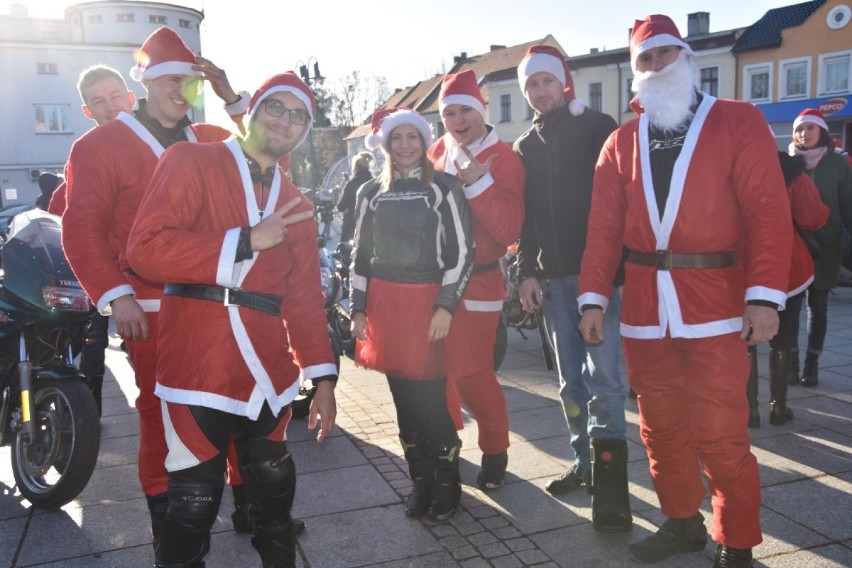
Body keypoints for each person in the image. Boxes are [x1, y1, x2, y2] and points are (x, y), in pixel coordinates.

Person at [577, 15, 792, 567]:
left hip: (718, 305)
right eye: (643, 59)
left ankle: (736, 539)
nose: (653, 66)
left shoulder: (738, 122)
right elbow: (602, 229)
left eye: (663, 55)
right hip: (647, 310)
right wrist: (593, 298)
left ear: (686, 59)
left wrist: (765, 296)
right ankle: (681, 522)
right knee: (661, 428)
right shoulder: (620, 143)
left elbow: (768, 213)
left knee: (721, 434)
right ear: (635, 72)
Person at [127, 71, 335, 568]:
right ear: (254, 110)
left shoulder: (299, 206)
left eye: (298, 115)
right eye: (275, 107)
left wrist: (323, 377)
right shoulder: (191, 160)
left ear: (306, 130)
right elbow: (145, 250)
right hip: (197, 359)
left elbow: (305, 299)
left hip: (266, 367)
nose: (285, 121)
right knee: (194, 499)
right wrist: (243, 240)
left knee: (276, 486)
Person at [60, 27, 253, 546]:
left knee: (236, 400)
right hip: (150, 304)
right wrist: (116, 295)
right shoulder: (98, 145)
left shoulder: (209, 140)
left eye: (188, 82)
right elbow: (80, 229)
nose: (179, 90)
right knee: (159, 412)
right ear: (144, 84)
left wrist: (232, 97)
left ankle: (250, 501)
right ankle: (166, 517)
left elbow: (266, 153)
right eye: (168, 79)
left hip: (219, 300)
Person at [513, 44, 631, 532]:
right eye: (531, 86)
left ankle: (610, 489)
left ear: (563, 82)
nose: (540, 92)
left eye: (546, 81)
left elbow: (621, 200)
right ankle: (584, 463)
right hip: (554, 279)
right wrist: (525, 271)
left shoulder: (599, 128)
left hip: (598, 277)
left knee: (604, 379)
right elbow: (528, 221)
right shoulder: (525, 146)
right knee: (569, 383)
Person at [351, 107, 474, 521]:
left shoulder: (443, 187)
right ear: (386, 145)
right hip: (385, 306)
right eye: (397, 138)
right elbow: (359, 257)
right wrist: (357, 309)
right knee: (403, 402)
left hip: (428, 304)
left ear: (424, 142)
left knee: (431, 402)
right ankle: (419, 482)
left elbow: (462, 253)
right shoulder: (369, 192)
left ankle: (448, 483)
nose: (405, 145)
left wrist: (445, 306)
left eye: (413, 137)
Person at [427, 69, 525, 490]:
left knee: (472, 374)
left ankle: (496, 447)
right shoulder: (435, 151)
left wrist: (478, 183)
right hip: (432, 285)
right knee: (436, 373)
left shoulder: (505, 159)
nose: (457, 120)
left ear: (481, 110)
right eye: (449, 113)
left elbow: (508, 230)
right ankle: (446, 448)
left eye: (465, 110)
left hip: (479, 283)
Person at [746, 152, 829, 428]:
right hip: (787, 264)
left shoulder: (734, 169)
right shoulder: (794, 174)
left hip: (743, 261)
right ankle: (778, 408)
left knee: (746, 338)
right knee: (783, 335)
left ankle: (750, 411)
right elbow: (813, 218)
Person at [788, 108, 852, 387]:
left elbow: (848, 202)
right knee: (789, 307)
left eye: (810, 128)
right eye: (800, 130)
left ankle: (811, 364)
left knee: (819, 305)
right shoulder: (786, 162)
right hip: (792, 246)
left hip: (825, 246)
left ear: (822, 131)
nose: (804, 134)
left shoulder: (837, 164)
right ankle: (788, 362)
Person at [337, 151, 374, 242]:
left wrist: (343, 191)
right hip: (371, 226)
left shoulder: (351, 183)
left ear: (355, 167)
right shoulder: (375, 183)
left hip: (352, 226)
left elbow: (341, 206)